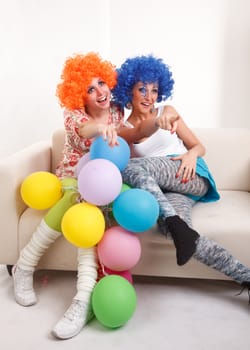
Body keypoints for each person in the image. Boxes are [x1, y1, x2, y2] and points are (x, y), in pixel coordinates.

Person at [112, 54, 250, 295]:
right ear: (129, 90)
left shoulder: (167, 110)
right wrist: (156, 124)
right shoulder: (124, 129)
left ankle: (174, 222)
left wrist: (190, 155)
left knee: (127, 169)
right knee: (180, 235)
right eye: (142, 89)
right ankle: (246, 278)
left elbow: (198, 145)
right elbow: (140, 131)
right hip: (168, 190)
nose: (149, 96)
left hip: (191, 175)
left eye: (154, 90)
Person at [12, 52, 124, 340]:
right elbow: (83, 130)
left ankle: (80, 299)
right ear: (80, 97)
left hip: (103, 180)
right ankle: (29, 270)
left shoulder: (118, 111)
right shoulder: (75, 115)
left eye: (101, 82)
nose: (100, 92)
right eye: (90, 89)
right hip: (72, 178)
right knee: (81, 202)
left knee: (92, 204)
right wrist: (99, 128)